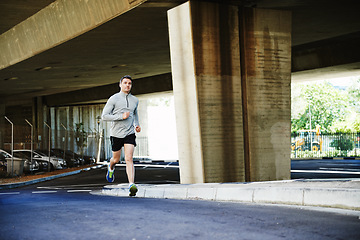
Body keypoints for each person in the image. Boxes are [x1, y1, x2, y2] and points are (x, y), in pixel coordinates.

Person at [101, 75, 141, 196]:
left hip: (129, 133)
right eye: (125, 83)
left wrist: (137, 125)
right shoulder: (114, 99)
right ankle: (111, 167)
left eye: (129, 83)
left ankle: (131, 185)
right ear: (120, 84)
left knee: (129, 158)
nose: (127, 85)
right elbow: (104, 116)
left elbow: (135, 114)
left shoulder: (135, 100)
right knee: (116, 159)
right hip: (116, 134)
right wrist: (121, 116)